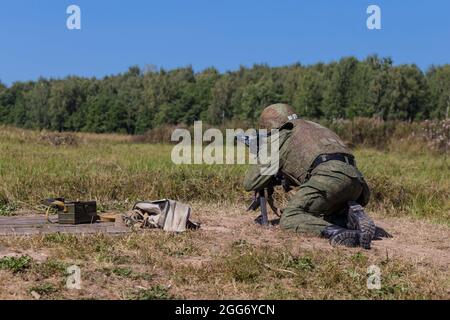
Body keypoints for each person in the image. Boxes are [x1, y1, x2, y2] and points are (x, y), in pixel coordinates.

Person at [243, 103, 390, 249]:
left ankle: (339, 232)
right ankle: (351, 217)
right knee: (318, 215)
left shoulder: (282, 134)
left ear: (269, 127)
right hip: (357, 183)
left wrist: (263, 155)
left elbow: (251, 182)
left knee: (290, 217)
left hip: (328, 178)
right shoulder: (314, 127)